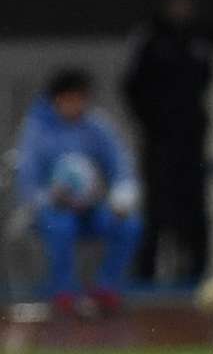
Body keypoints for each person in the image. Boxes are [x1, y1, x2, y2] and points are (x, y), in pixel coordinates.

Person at [18, 70, 139, 318]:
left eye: (81, 99)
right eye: (70, 100)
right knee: (61, 227)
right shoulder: (36, 130)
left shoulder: (97, 126)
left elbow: (121, 165)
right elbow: (28, 183)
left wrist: (121, 196)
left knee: (128, 225)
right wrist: (51, 198)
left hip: (91, 208)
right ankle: (63, 294)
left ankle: (106, 289)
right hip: (53, 211)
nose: (76, 106)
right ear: (57, 100)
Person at [119, 0, 213, 287]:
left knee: (194, 208)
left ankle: (196, 273)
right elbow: (131, 86)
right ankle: (146, 275)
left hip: (191, 141)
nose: (181, 9)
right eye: (175, 4)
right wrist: (153, 122)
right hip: (159, 141)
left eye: (185, 4)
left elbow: (206, 81)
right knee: (157, 208)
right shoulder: (148, 40)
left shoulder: (198, 40)